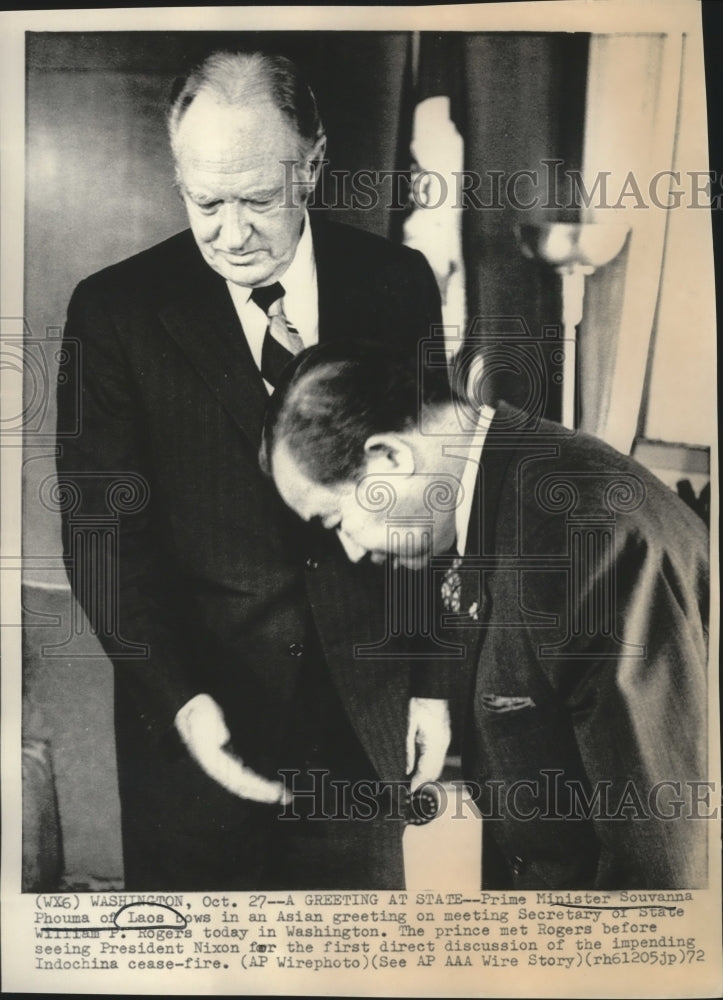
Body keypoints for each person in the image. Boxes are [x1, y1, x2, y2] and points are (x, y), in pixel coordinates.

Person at [55, 50, 447, 890]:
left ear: (310, 165)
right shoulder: (114, 313)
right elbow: (101, 537)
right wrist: (182, 702)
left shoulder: (396, 285)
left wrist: (432, 682)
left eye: (259, 200)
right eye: (205, 201)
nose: (231, 234)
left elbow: (428, 496)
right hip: (199, 733)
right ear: (178, 175)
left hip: (363, 727)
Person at [263, 341, 711, 890]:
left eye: (335, 521)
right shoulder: (500, 489)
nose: (352, 552)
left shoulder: (584, 539)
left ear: (388, 459)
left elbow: (658, 854)